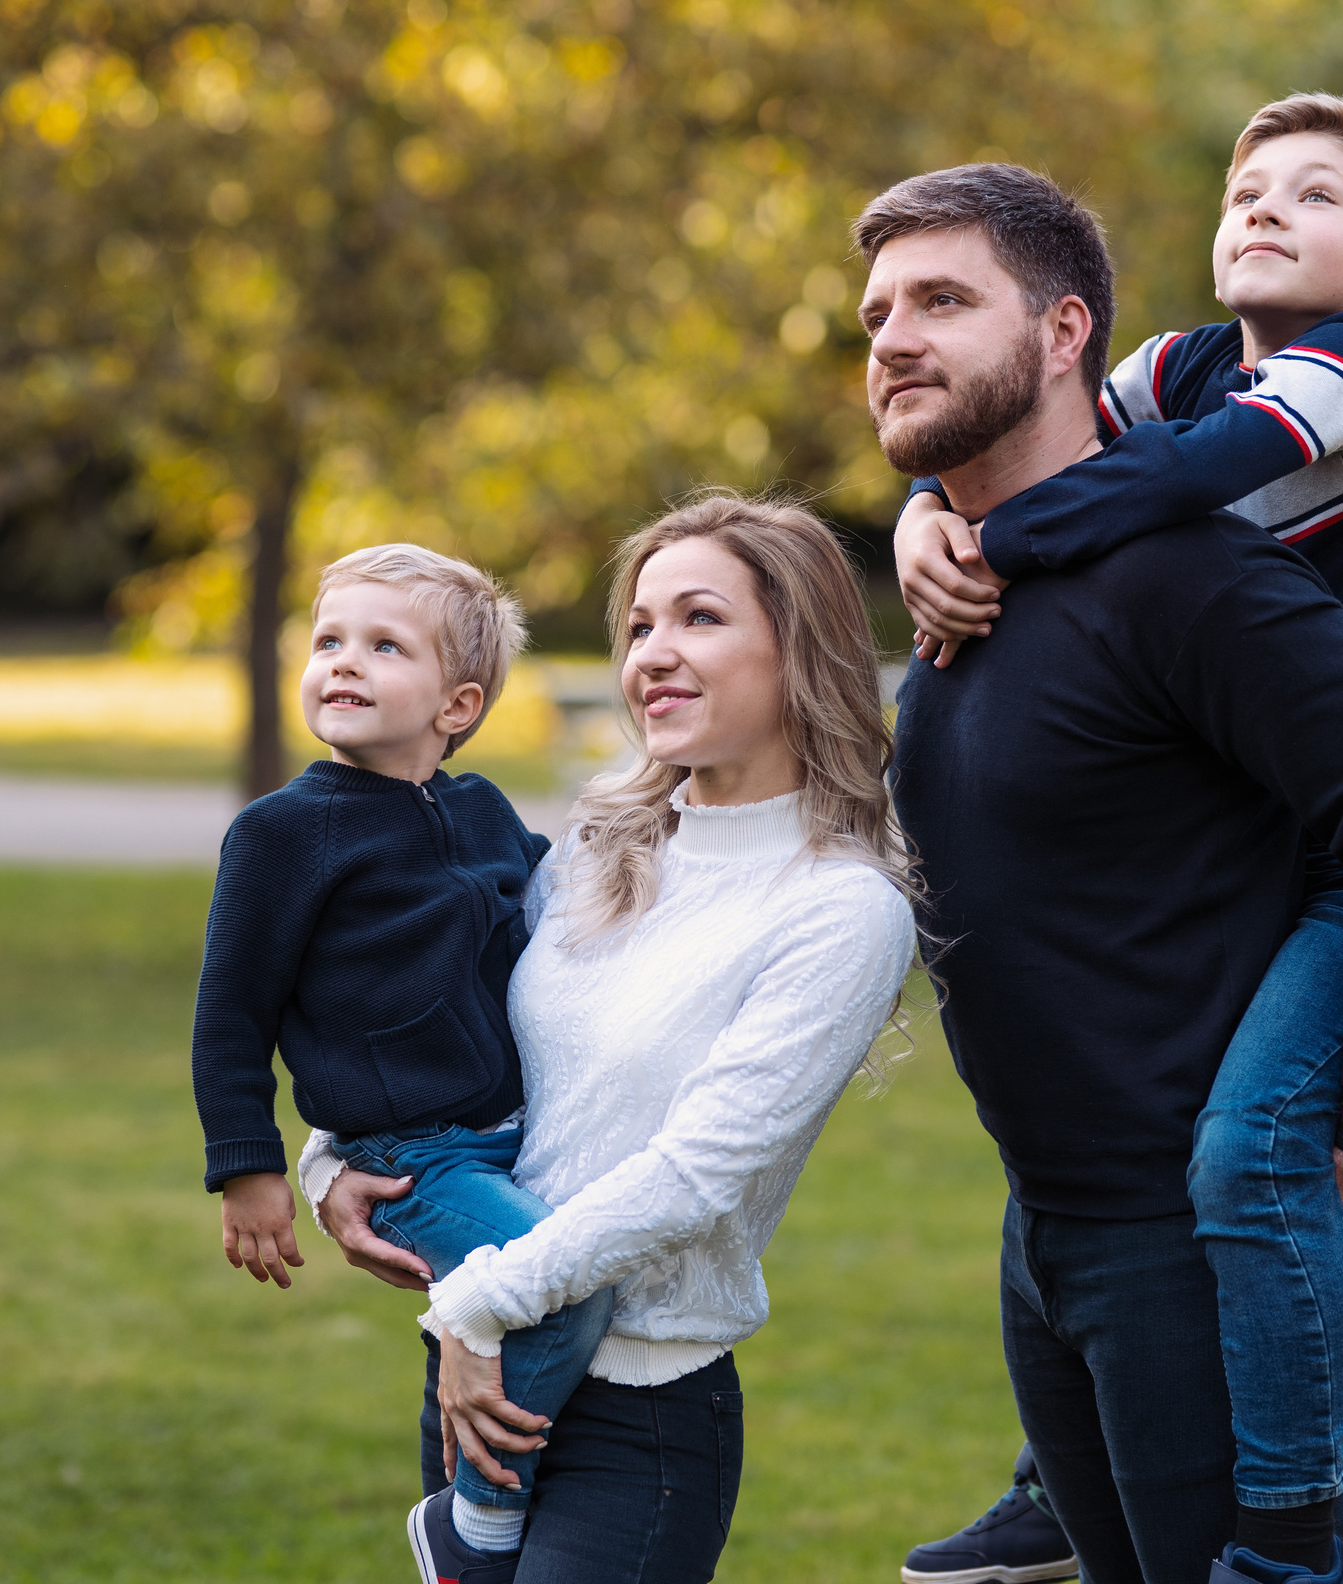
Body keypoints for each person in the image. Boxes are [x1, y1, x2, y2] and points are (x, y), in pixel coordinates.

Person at [861, 162, 1343, 1584]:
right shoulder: (962, 585)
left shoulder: (1180, 575)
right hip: (1047, 1236)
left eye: (943, 300)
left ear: (1063, 333)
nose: (894, 338)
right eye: (878, 314)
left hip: (1187, 1255)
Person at [310, 496, 920, 1584]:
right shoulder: (601, 840)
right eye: (639, 626)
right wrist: (333, 1163)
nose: (653, 654)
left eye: (699, 618)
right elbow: (437, 1004)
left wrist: (479, 1302)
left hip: (636, 1417)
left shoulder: (840, 909)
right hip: (481, 1368)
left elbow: (696, 1174)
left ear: (798, 650)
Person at [191, 543, 601, 1559]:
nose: (343, 661)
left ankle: (495, 1501)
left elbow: (559, 908)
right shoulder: (281, 834)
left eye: (383, 646)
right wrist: (247, 1166)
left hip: (511, 1134)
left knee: (536, 1296)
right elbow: (231, 1011)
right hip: (411, 1154)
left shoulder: (482, 811)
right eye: (327, 640)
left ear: (456, 705)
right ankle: (475, 1523)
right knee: (558, 1286)